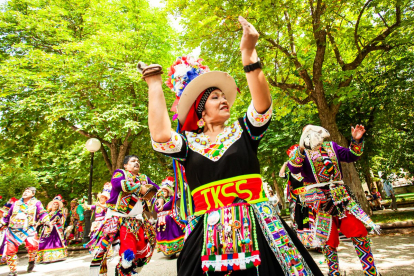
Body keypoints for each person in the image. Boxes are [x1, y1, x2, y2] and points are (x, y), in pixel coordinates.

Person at [145, 16, 323, 276]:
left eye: (224, 96)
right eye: (215, 97)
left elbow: (262, 102)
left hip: (260, 227)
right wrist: (154, 82)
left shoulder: (245, 130)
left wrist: (248, 52)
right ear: (200, 113)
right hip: (207, 232)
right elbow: (160, 133)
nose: (224, 100)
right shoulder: (187, 145)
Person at [288, 124, 381, 275]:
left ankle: (371, 271)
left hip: (341, 197)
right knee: (327, 239)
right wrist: (301, 149)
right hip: (319, 201)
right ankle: (333, 273)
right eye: (308, 133)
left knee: (357, 230)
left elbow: (351, 155)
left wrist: (356, 140)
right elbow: (293, 169)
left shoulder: (332, 146)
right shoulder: (300, 153)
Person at [89, 155, 159, 276]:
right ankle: (123, 271)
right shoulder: (120, 173)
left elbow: (157, 189)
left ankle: (124, 270)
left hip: (139, 220)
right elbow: (117, 184)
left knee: (144, 250)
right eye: (133, 161)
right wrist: (140, 188)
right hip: (121, 220)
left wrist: (161, 196)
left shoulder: (143, 178)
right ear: (126, 165)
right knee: (128, 251)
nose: (136, 162)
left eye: (138, 161)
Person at [0, 187, 50, 275]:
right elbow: (8, 215)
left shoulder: (36, 203)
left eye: (28, 192)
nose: (25, 193)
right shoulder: (16, 203)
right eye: (25, 191)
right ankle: (13, 270)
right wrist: (3, 223)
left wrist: (46, 220)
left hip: (29, 228)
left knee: (33, 246)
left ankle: (31, 261)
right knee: (10, 250)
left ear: (33, 194)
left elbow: (42, 212)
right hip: (13, 229)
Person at [280, 145, 314, 249]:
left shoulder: (306, 170)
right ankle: (303, 242)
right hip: (297, 199)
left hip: (310, 197)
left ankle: (315, 241)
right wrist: (285, 164)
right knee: (299, 219)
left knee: (311, 218)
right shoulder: (291, 173)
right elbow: (281, 174)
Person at [155, 176, 185, 258]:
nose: (163, 192)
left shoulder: (171, 199)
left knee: (172, 234)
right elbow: (156, 210)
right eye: (162, 191)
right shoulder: (157, 201)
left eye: (165, 191)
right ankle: (167, 250)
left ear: (168, 192)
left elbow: (177, 196)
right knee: (164, 235)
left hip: (170, 221)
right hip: (161, 222)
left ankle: (174, 250)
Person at [37, 195, 67, 263]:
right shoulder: (47, 213)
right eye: (54, 204)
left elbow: (56, 218)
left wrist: (50, 223)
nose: (55, 206)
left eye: (57, 204)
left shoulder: (59, 212)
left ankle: (55, 256)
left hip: (55, 228)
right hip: (46, 228)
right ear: (51, 205)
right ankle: (44, 257)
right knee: (44, 241)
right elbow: (42, 219)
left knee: (53, 240)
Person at [84, 183, 111, 252]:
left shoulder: (107, 205)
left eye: (103, 198)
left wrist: (100, 205)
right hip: (96, 223)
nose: (101, 199)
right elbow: (89, 207)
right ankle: (95, 249)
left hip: (103, 222)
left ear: (106, 199)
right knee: (94, 235)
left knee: (102, 236)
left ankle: (103, 249)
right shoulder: (97, 205)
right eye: (101, 197)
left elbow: (107, 209)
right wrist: (85, 205)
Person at [0, 198, 18, 266]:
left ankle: (4, 258)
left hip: (7, 231)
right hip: (3, 231)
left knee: (5, 244)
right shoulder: (3, 215)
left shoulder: (12, 215)